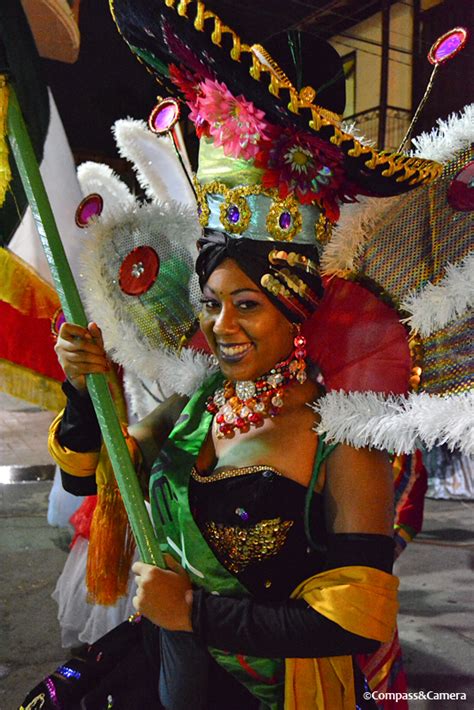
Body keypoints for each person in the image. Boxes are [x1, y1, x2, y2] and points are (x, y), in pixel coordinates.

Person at [42, 3, 445, 708]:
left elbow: (357, 617)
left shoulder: (344, 435)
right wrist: (86, 391)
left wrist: (195, 612)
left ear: (295, 306)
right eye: (210, 301)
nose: (220, 325)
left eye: (248, 304)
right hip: (165, 670)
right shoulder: (197, 401)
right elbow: (91, 484)